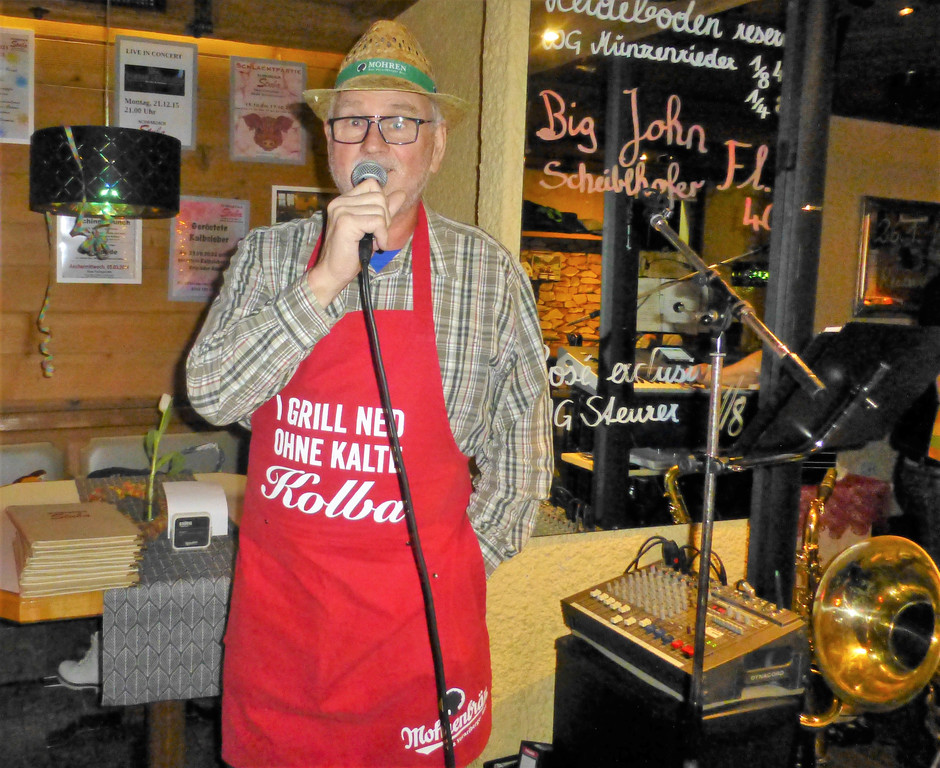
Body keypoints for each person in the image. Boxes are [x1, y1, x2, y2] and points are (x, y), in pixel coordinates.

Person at [185, 20, 553, 768]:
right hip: (285, 636)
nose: (375, 142)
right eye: (352, 121)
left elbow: (524, 457)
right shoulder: (267, 258)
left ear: (436, 146)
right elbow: (212, 395)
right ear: (330, 146)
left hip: (421, 645)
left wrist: (456, 572)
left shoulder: (486, 275)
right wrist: (323, 281)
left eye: (401, 122)